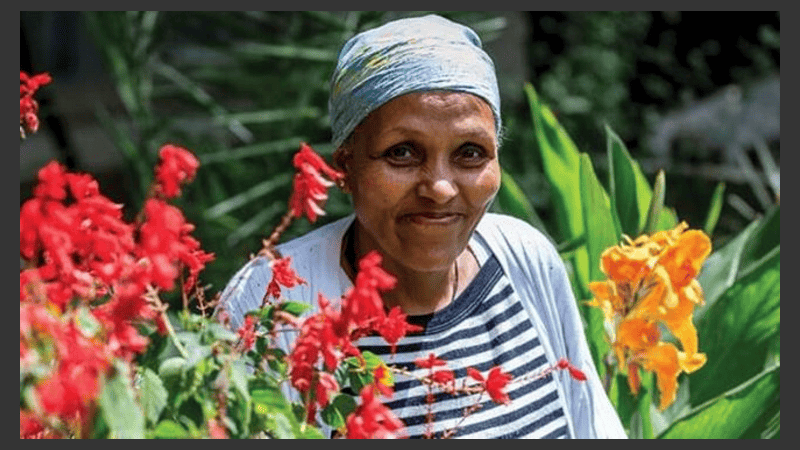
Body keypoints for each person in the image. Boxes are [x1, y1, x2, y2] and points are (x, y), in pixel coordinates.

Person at [219, 14, 626, 439]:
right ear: (345, 166)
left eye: (470, 152)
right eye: (402, 153)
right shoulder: (272, 300)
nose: (441, 188)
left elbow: (589, 423)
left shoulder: (524, 259)